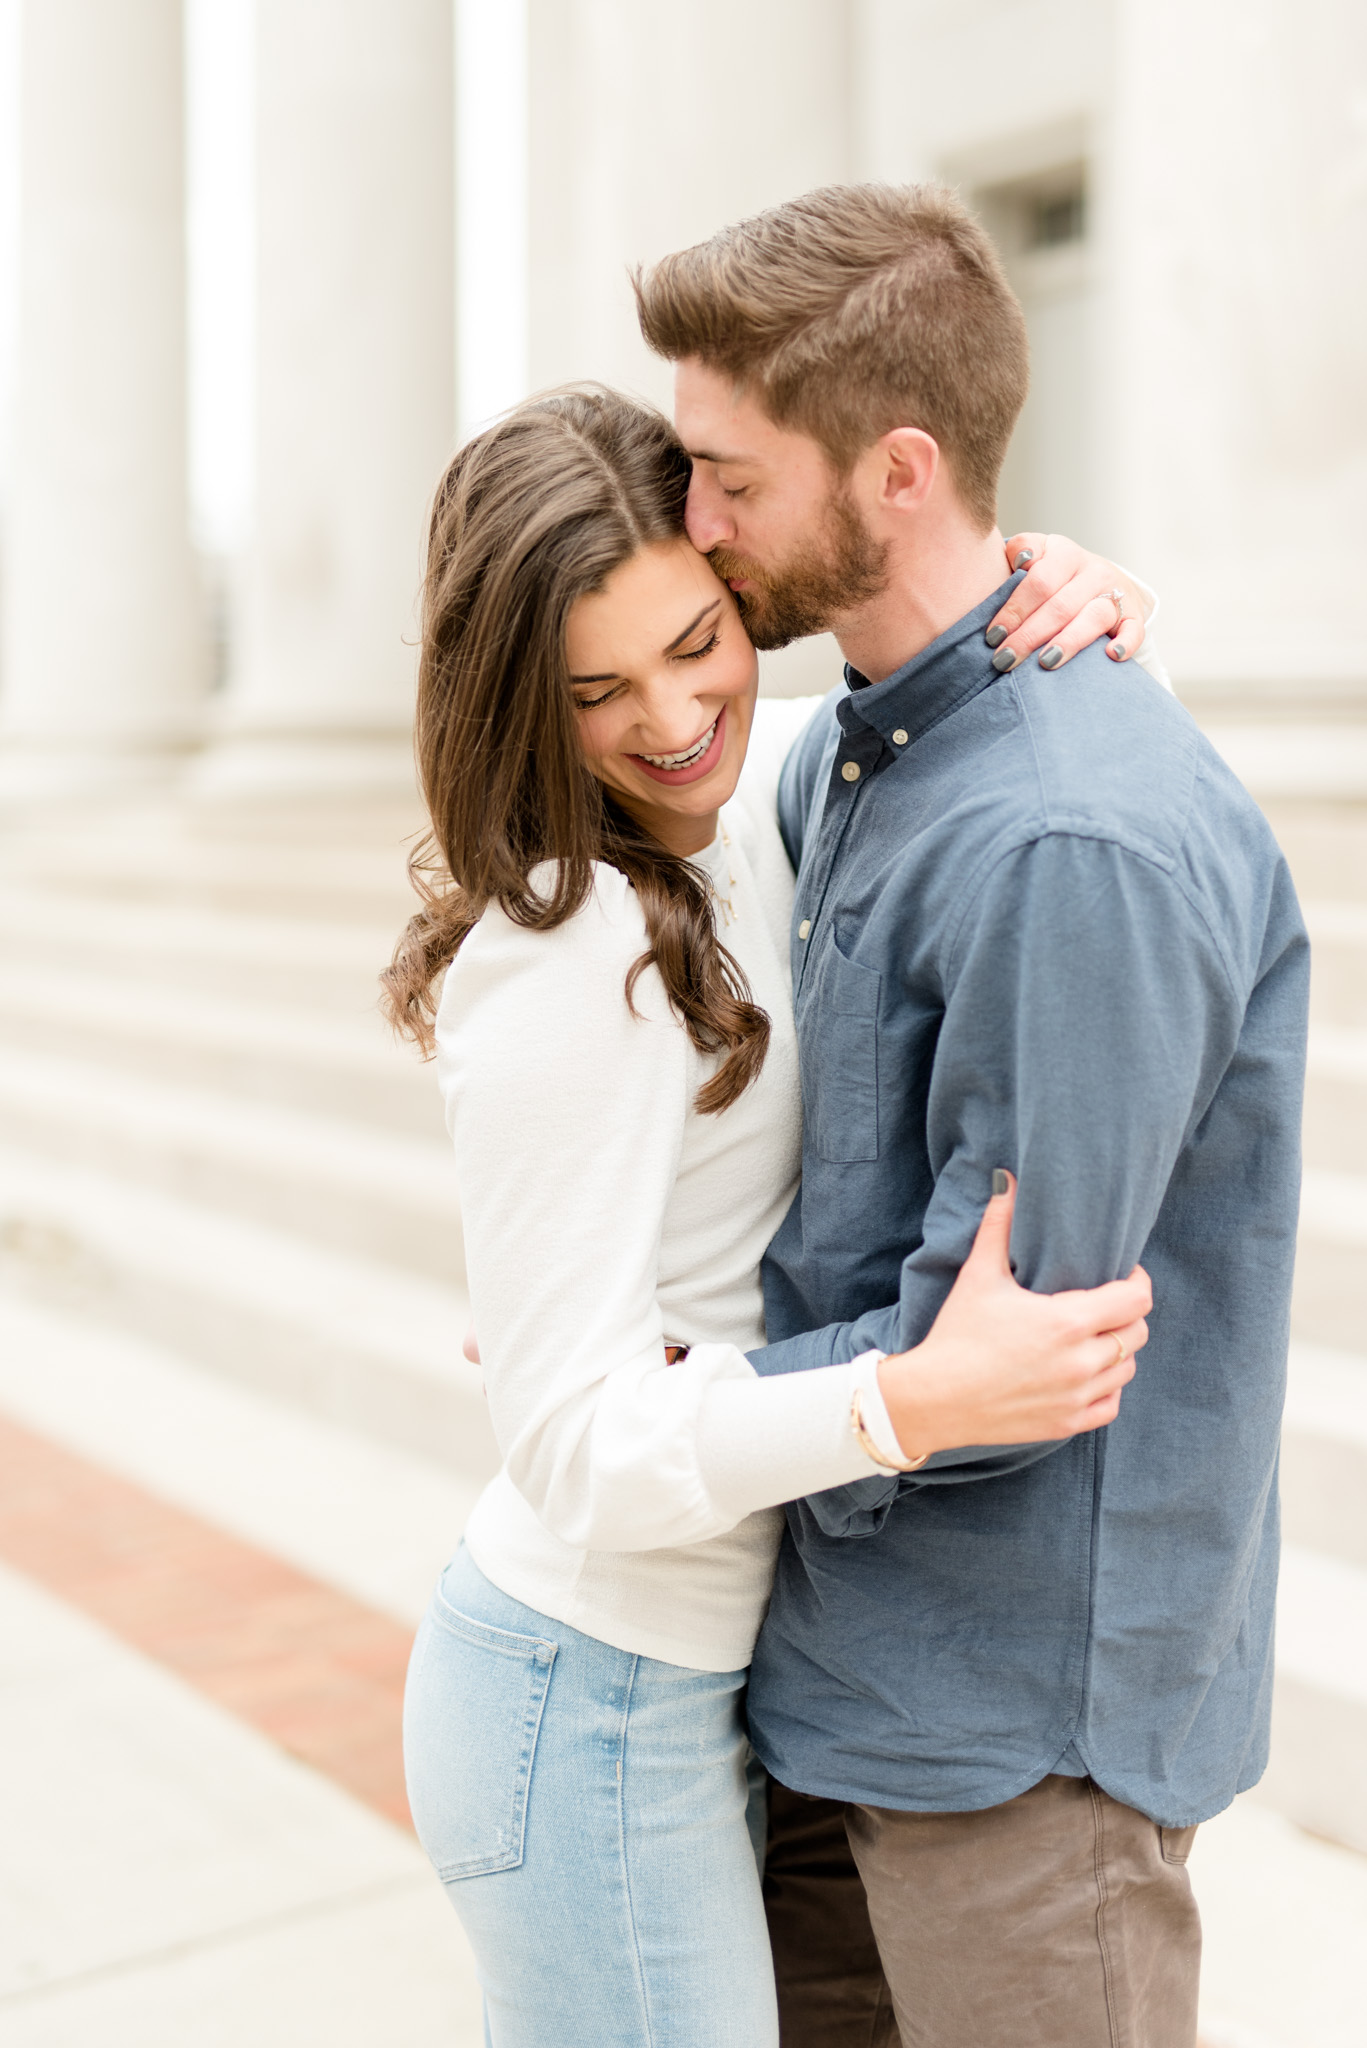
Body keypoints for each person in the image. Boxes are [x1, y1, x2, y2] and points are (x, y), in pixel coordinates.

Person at [386, 385, 1165, 2048]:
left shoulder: (745, 814)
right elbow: (573, 1447)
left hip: (681, 1677)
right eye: (595, 690)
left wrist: (1058, 576)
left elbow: (953, 699)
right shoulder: (571, 937)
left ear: (734, 583)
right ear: (520, 701)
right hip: (584, 1692)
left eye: (695, 641)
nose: (674, 716)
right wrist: (913, 1401)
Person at [634, 180, 1310, 2048]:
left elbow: (1000, 1371)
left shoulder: (1064, 840)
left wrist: (643, 1406)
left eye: (730, 480)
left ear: (900, 470)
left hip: (1019, 1756)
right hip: (838, 1686)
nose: (692, 528)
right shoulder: (861, 750)